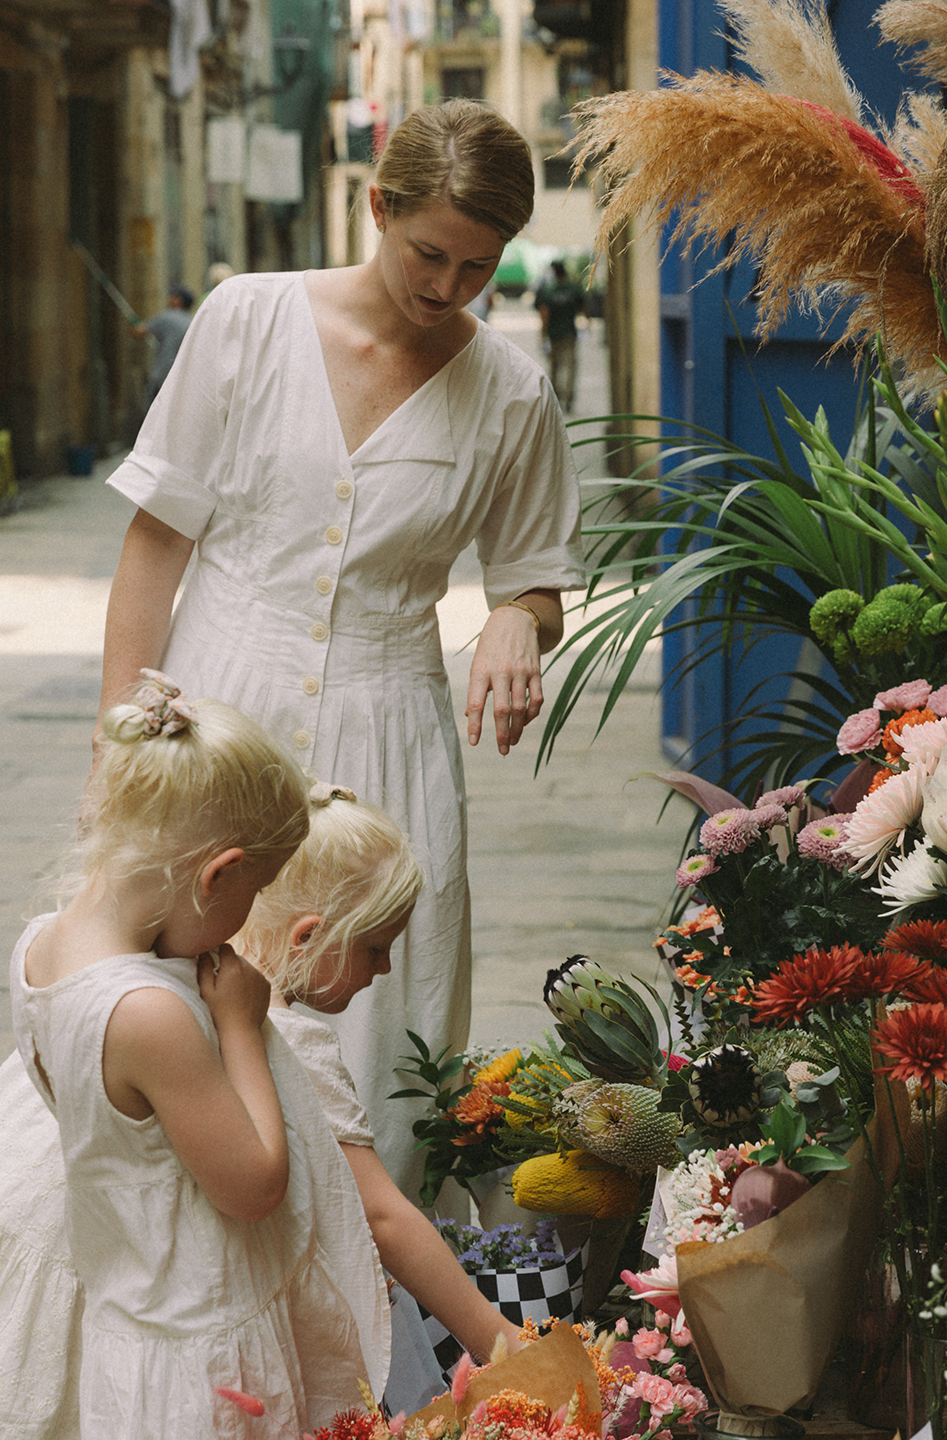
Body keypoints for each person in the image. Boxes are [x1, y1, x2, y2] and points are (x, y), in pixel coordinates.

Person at [96, 99, 586, 1205]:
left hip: (390, 739)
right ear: (378, 205)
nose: (449, 288)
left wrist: (519, 617)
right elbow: (156, 541)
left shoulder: (512, 391)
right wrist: (115, 744)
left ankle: (371, 1344)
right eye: (429, 253)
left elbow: (535, 574)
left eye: (479, 267)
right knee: (174, 1013)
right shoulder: (246, 319)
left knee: (385, 1040)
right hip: (217, 713)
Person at [0, 773, 517, 1438]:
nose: (382, 972)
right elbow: (381, 1214)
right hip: (167, 1292)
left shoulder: (140, 976)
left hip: (79, 1246)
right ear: (306, 937)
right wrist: (497, 1336)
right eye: (375, 948)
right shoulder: (283, 1037)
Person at [9, 671, 385, 1438]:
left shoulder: (41, 946)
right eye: (255, 891)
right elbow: (254, 1187)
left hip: (127, 1307)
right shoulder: (150, 1014)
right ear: (218, 874)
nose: (247, 919)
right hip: (194, 1351)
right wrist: (242, 1026)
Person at [534, 259, 586, 411]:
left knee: (554, 368)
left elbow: (544, 315)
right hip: (570, 334)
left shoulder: (549, 290)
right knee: (570, 367)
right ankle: (569, 399)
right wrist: (587, 326)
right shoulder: (573, 288)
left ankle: (556, 398)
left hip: (553, 335)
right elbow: (583, 308)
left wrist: (543, 336)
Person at [132, 283, 195, 405]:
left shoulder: (166, 317)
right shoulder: (192, 320)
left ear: (179, 301)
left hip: (163, 375)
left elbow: (139, 331)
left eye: (174, 296)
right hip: (184, 380)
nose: (170, 299)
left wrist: (135, 322)